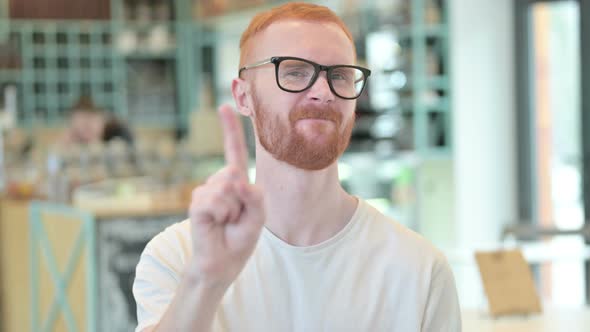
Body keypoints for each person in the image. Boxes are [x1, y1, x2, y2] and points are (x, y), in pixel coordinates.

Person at [133, 3, 461, 332]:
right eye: (294, 72)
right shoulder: (177, 259)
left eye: (340, 75)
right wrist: (204, 284)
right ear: (243, 96)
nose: (322, 92)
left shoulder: (420, 271)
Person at [58, 95, 133, 146]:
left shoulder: (117, 133)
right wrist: (64, 143)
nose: (84, 131)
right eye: (79, 128)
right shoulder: (75, 142)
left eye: (88, 126)